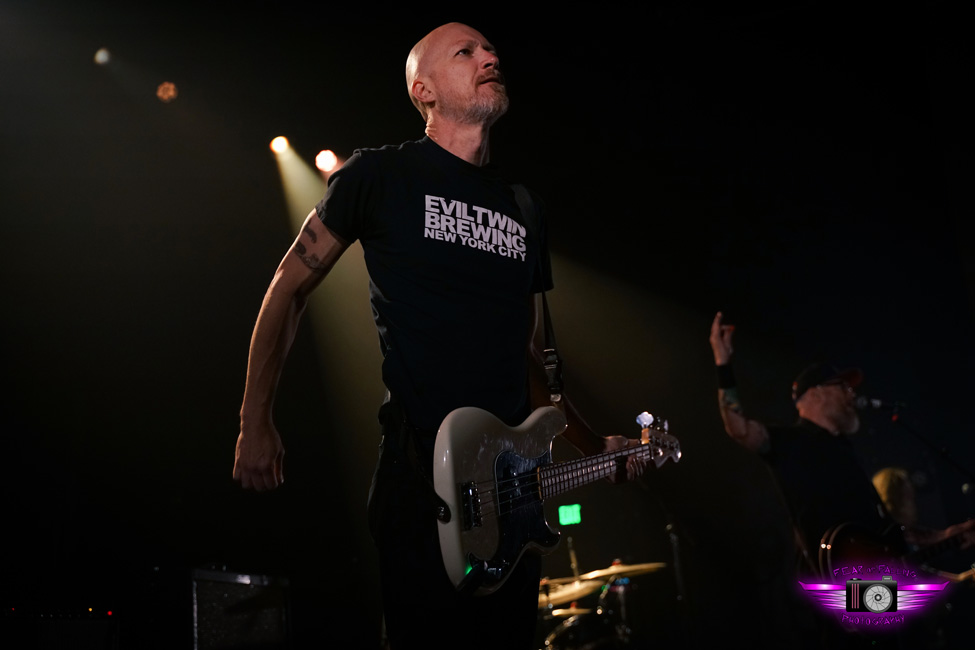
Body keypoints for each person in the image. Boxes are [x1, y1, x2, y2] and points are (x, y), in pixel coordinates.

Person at [232, 23, 647, 650]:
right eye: (467, 51)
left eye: (490, 49)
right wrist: (254, 420)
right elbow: (287, 289)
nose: (490, 56)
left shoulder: (523, 206)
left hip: (511, 487)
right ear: (423, 89)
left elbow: (528, 354)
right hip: (420, 476)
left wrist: (591, 443)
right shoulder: (379, 175)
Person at [708, 311, 975, 647]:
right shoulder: (791, 442)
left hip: (870, 591)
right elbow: (738, 428)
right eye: (842, 387)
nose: (851, 395)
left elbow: (890, 539)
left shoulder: (846, 452)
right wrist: (723, 362)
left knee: (938, 615)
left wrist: (948, 536)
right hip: (842, 596)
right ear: (815, 394)